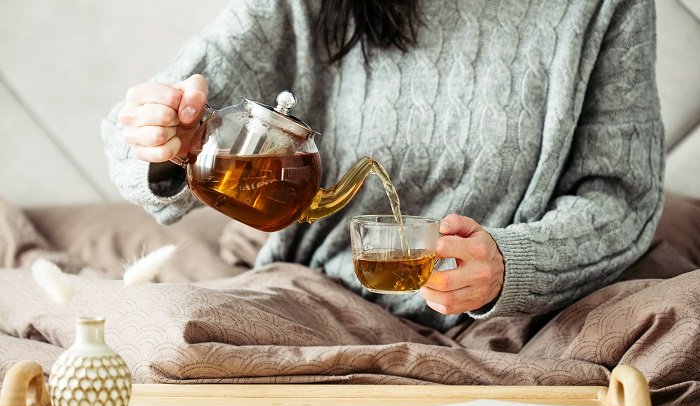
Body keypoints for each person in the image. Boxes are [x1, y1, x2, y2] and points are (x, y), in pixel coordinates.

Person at [103, 0, 664, 332]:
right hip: (318, 301)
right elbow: (148, 133)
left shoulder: (601, 8)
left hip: (516, 323)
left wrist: (510, 265)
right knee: (157, 327)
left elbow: (621, 197)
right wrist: (163, 139)